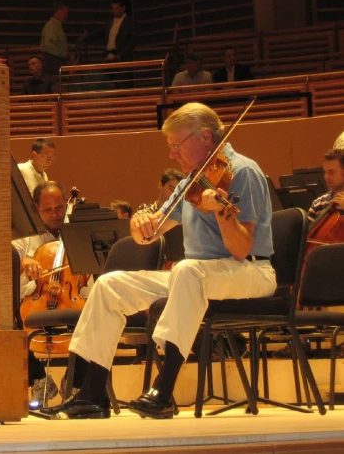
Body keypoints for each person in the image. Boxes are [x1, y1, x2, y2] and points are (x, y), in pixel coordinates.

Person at [46, 102, 276, 420]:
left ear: (206, 137)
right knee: (110, 283)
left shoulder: (243, 173)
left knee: (187, 270)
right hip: (196, 276)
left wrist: (221, 213)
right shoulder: (190, 183)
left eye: (177, 145)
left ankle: (163, 391)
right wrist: (139, 224)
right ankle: (92, 392)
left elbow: (240, 248)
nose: (172, 154)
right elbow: (149, 234)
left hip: (249, 270)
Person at [13, 180, 76, 409]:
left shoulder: (76, 229)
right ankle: (39, 378)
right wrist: (24, 261)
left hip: (72, 296)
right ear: (36, 210)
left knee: (98, 314)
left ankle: (75, 379)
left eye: (59, 208)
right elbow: (10, 258)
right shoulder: (24, 235)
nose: (55, 215)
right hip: (35, 297)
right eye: (47, 210)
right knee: (7, 320)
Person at [307, 148, 344, 224]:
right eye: (325, 172)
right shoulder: (318, 204)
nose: (326, 176)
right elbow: (308, 235)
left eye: (331, 172)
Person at [40, 4, 72, 76]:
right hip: (52, 64)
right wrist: (64, 54)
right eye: (65, 13)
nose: (66, 16)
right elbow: (48, 46)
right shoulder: (51, 25)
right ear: (59, 11)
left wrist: (73, 46)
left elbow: (59, 43)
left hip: (57, 62)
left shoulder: (56, 26)